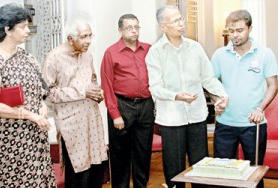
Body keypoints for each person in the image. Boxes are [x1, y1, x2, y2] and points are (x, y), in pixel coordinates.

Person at [145, 5, 229, 188]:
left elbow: (208, 78)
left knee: (200, 167)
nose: (181, 23)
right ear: (163, 26)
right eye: (175, 20)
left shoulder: (195, 47)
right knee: (174, 171)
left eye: (181, 18)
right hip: (171, 119)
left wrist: (222, 95)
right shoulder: (155, 52)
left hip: (197, 116)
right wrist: (176, 96)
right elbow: (155, 88)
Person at [0, 3, 56, 187]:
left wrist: (41, 107)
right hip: (10, 141)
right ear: (8, 29)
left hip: (35, 136)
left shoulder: (26, 57)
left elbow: (41, 91)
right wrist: (29, 115)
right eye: (23, 27)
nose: (28, 31)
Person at [211, 9, 278, 188]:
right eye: (231, 31)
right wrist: (217, 99)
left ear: (250, 28)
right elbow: (211, 83)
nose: (235, 35)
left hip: (253, 125)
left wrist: (260, 109)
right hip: (225, 124)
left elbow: (273, 85)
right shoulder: (219, 55)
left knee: (254, 174)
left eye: (240, 30)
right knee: (223, 174)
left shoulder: (265, 54)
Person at [42, 20, 108, 188]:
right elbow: (47, 93)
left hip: (92, 122)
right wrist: (81, 92)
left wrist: (97, 93)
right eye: (83, 37)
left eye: (90, 36)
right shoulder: (54, 57)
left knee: (96, 170)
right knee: (79, 174)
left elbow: (92, 81)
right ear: (70, 39)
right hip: (71, 126)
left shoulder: (88, 56)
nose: (88, 41)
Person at [100, 14, 155, 188]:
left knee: (143, 153)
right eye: (129, 27)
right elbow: (107, 86)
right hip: (122, 106)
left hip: (146, 105)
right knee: (120, 156)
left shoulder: (148, 49)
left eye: (136, 27)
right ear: (120, 30)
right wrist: (115, 114)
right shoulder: (111, 52)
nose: (134, 31)